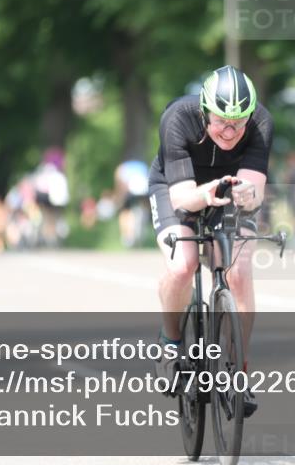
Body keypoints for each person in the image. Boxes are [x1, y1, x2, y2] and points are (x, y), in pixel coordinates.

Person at [149, 65, 272, 418]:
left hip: (227, 189)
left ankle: (238, 371)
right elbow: (184, 199)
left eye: (239, 122)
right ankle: (171, 343)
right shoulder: (178, 118)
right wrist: (208, 193)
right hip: (178, 189)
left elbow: (254, 193)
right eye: (221, 122)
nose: (230, 132)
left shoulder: (261, 123)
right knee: (183, 264)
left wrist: (248, 195)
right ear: (204, 111)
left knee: (240, 270)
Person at [114, 159, 150, 247]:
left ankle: (127, 236)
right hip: (144, 189)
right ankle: (142, 226)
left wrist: (119, 197)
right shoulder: (142, 165)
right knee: (144, 207)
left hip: (131, 189)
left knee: (125, 210)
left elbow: (120, 183)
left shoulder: (122, 168)